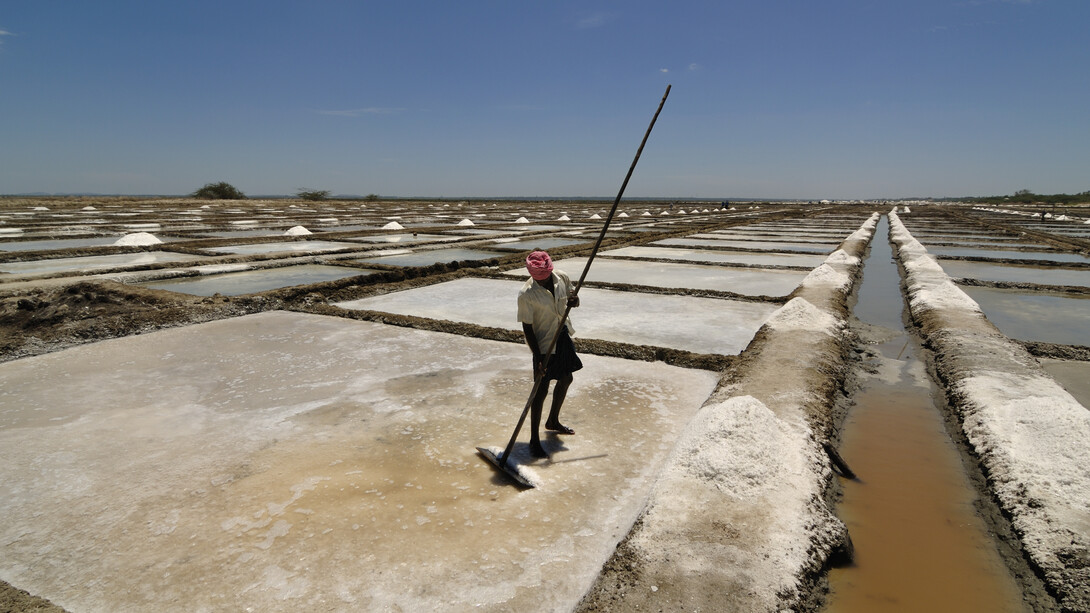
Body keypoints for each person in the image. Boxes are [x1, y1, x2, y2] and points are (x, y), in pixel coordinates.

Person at [517, 250, 582, 458]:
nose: (543, 280)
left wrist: (575, 301)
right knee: (540, 390)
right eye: (539, 278)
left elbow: (573, 298)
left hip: (562, 334)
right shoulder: (526, 294)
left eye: (545, 276)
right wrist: (537, 357)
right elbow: (527, 328)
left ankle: (553, 420)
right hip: (543, 343)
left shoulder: (561, 277)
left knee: (566, 378)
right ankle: (534, 439)